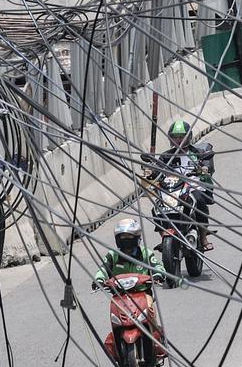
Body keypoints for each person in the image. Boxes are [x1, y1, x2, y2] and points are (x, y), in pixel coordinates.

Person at [92, 218, 167, 337]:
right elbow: (103, 269)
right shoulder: (113, 255)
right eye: (123, 237)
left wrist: (158, 275)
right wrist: (99, 280)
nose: (126, 240)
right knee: (115, 318)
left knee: (150, 313)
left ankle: (156, 338)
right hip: (119, 295)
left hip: (143, 293)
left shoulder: (145, 253)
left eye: (129, 236)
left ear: (137, 237)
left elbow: (157, 266)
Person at [153, 120, 215, 251]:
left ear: (188, 137)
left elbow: (207, 161)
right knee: (157, 206)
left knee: (199, 201)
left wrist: (204, 167)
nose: (178, 139)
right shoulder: (166, 156)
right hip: (173, 188)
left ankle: (203, 237)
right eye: (175, 137)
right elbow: (157, 169)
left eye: (181, 136)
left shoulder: (198, 153)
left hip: (193, 187)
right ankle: (164, 235)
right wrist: (151, 172)